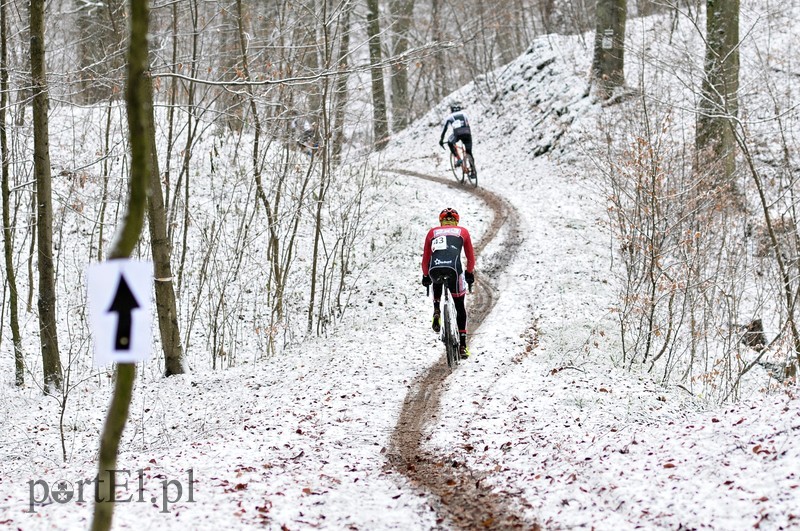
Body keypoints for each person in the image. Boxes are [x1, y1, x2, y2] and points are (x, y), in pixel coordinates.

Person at [421, 207, 476, 359]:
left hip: (435, 269)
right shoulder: (462, 232)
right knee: (460, 306)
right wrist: (469, 273)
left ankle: (436, 308)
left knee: (435, 275)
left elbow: (426, 259)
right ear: (456, 221)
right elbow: (470, 258)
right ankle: (463, 346)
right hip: (454, 270)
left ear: (441, 221)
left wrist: (425, 276)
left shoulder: (432, 232)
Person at [438, 101, 472, 168]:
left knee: (450, 142)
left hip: (457, 134)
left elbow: (445, 129)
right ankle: (473, 169)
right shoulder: (464, 114)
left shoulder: (450, 117)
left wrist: (441, 140)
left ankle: (458, 159)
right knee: (469, 152)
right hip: (467, 132)